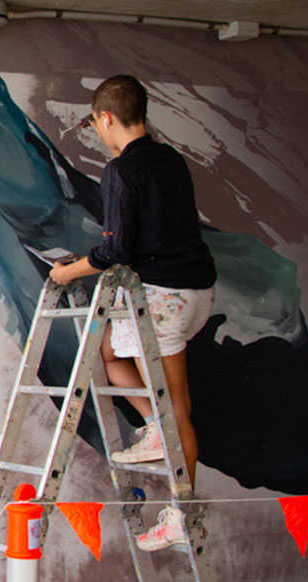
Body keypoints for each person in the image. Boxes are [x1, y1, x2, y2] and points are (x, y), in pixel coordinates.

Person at [50, 75, 217, 552]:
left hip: (165, 296)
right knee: (110, 353)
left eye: (97, 124)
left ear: (107, 118)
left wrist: (68, 273)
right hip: (195, 289)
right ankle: (157, 429)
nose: (99, 134)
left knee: (178, 405)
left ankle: (182, 513)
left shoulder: (120, 171)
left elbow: (116, 250)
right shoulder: (172, 160)